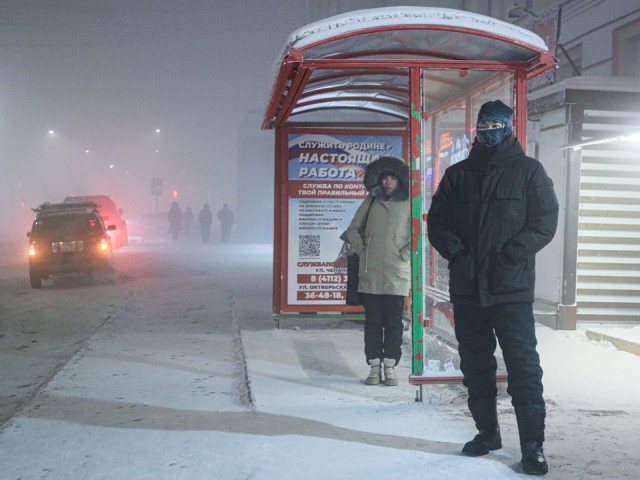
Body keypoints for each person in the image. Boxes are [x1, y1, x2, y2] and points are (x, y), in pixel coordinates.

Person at [426, 100, 559, 475]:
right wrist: (457, 253)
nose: (488, 130)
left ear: (509, 127)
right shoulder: (457, 175)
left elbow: (544, 220)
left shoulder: (529, 171)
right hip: (468, 289)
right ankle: (487, 434)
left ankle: (533, 446)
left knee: (523, 366)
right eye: (483, 124)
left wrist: (514, 253)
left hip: (510, 288)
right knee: (475, 364)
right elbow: (438, 222)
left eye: (495, 124)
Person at [345, 156, 411, 387]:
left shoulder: (409, 203)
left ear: (400, 180)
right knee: (372, 322)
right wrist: (363, 250)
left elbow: (420, 233)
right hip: (370, 272)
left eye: (392, 178)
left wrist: (404, 254)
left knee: (393, 322)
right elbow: (352, 229)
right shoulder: (371, 200)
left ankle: (390, 366)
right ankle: (374, 366)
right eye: (385, 178)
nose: (388, 182)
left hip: (396, 273)